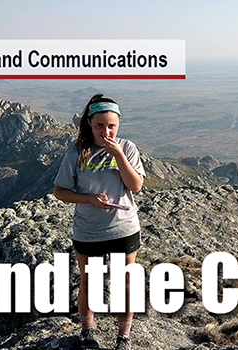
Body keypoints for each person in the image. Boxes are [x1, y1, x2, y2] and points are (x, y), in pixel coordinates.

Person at [53, 94, 145, 350]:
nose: (106, 131)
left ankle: (123, 336)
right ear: (89, 124)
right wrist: (89, 199)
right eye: (100, 125)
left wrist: (118, 155)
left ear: (119, 125)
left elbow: (135, 186)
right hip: (89, 231)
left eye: (111, 126)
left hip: (123, 228)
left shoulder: (126, 148)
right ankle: (87, 332)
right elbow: (60, 191)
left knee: (124, 283)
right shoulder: (77, 153)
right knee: (89, 283)